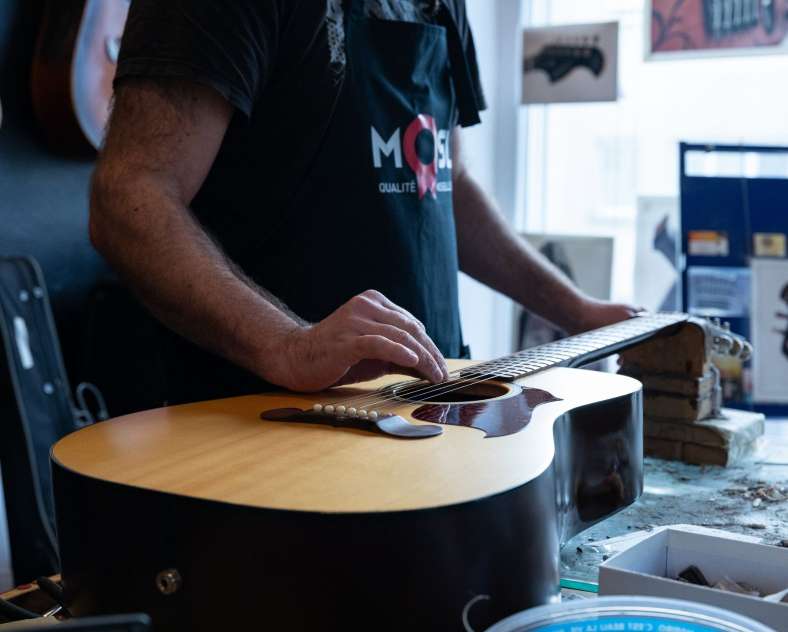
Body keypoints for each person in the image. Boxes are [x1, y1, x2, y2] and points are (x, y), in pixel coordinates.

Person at [89, 0, 636, 406]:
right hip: (269, 429)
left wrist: (576, 311)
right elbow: (129, 198)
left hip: (433, 408)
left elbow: (447, 181)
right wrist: (290, 346)